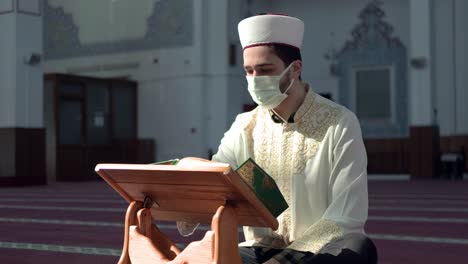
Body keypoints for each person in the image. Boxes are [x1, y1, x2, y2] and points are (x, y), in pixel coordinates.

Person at [179, 13, 377, 264]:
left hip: (318, 250)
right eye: (249, 71)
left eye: (265, 70)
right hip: (259, 249)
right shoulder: (245, 127)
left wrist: (285, 260)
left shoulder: (339, 123)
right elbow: (219, 179)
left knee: (357, 248)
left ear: (295, 69)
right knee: (207, 254)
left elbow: (346, 216)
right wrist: (183, 195)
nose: (255, 80)